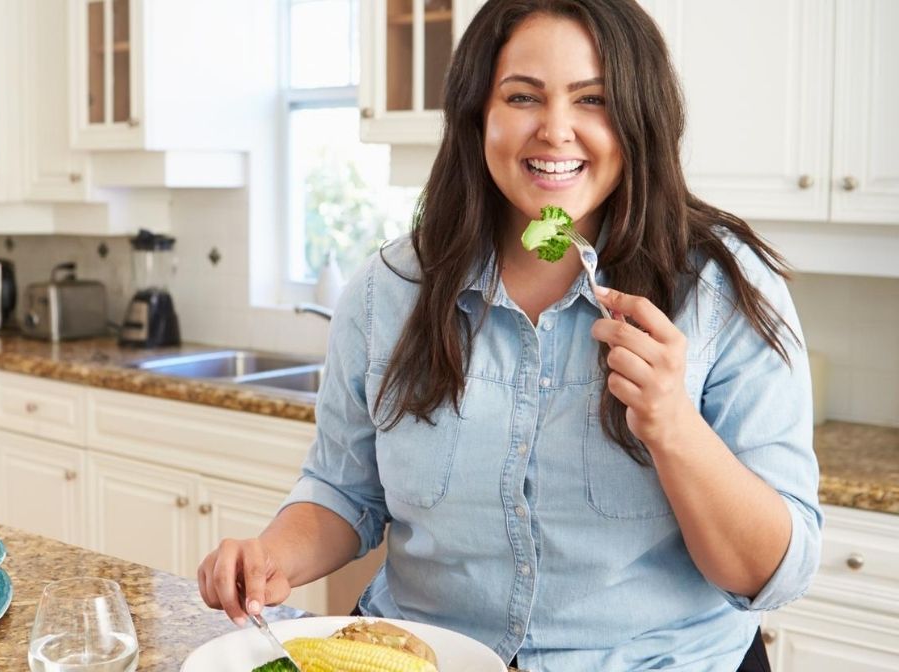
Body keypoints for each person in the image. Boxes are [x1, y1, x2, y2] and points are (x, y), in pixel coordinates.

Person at [196, 0, 821, 669]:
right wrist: (272, 555)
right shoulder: (388, 291)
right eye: (523, 96)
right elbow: (345, 492)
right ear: (477, 115)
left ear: (640, 118)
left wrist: (674, 426)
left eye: (593, 100)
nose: (556, 131)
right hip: (422, 653)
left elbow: (770, 573)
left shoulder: (723, 290)